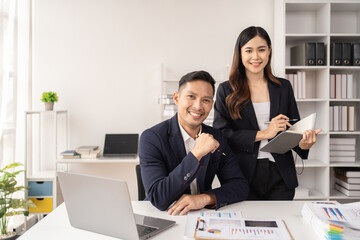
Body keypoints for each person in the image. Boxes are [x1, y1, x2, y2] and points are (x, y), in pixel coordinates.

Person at [213, 26, 321, 200]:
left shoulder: (283, 87)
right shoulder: (226, 90)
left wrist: (304, 144)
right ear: (240, 54)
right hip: (243, 174)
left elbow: (293, 129)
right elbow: (221, 135)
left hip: (280, 174)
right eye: (249, 50)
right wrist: (264, 134)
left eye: (261, 50)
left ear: (269, 51)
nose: (256, 57)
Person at [139, 70, 249, 215]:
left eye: (206, 100)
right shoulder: (151, 138)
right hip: (163, 215)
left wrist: (205, 198)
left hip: (201, 214)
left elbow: (240, 186)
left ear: (212, 104)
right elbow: (158, 198)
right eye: (191, 97)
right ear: (177, 98)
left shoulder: (217, 137)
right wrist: (197, 153)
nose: (198, 106)